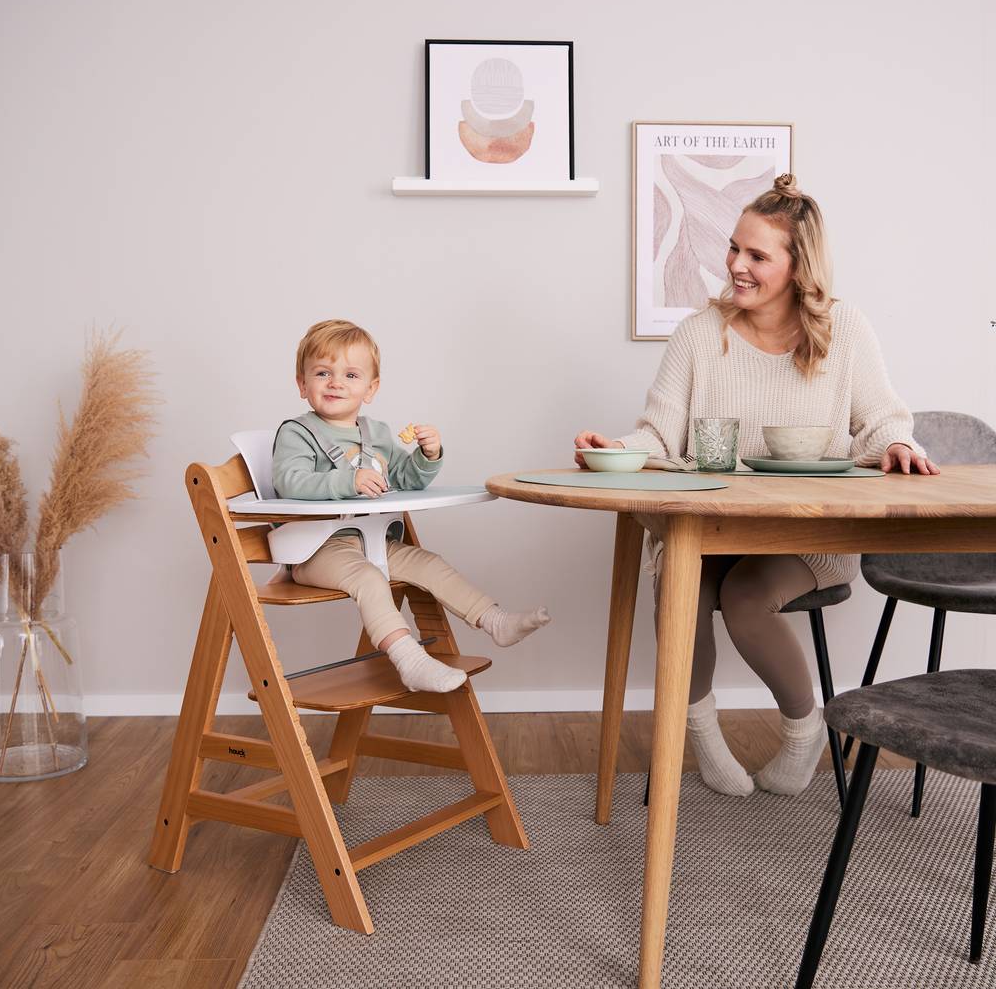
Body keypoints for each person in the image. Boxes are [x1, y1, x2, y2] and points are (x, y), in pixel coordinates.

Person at [574, 174, 938, 797]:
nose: (736, 266)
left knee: (745, 597)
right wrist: (620, 451)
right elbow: (658, 435)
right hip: (712, 527)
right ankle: (704, 737)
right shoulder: (698, 334)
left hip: (806, 533)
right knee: (679, 588)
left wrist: (899, 445)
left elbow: (881, 419)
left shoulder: (843, 331)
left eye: (757, 256)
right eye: (734, 249)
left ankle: (804, 734)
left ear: (799, 267)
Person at [273, 319, 550, 694]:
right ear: (302, 384)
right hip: (314, 552)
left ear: (370, 389)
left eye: (351, 374)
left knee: (428, 562)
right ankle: (409, 660)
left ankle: (494, 621)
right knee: (369, 579)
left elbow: (406, 479)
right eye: (323, 373)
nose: (336, 382)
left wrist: (427, 455)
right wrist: (346, 481)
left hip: (370, 543)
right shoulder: (296, 433)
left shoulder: (378, 435)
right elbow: (289, 481)